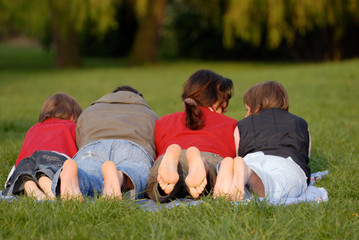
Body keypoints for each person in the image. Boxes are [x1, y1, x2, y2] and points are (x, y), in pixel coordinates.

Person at [53, 85, 159, 200]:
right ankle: (119, 177)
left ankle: (74, 174)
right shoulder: (150, 114)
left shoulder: (89, 111)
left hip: (92, 146)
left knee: (89, 173)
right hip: (132, 147)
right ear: (139, 98)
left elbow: (80, 139)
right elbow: (155, 143)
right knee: (136, 172)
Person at [146, 70, 237, 202]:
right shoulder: (231, 124)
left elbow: (158, 150)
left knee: (161, 187)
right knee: (211, 181)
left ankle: (172, 169)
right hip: (209, 156)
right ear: (216, 99)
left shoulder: (164, 121)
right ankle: (205, 168)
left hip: (169, 154)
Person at [213, 81, 311, 201]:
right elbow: (305, 157)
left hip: (252, 159)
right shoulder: (300, 123)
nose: (246, 115)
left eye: (247, 110)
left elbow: (240, 152)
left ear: (257, 107)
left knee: (248, 186)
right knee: (276, 188)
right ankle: (248, 174)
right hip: (287, 163)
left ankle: (234, 170)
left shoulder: (242, 125)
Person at [3, 93, 82, 200]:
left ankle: (29, 186)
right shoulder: (73, 127)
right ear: (73, 117)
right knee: (49, 172)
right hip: (54, 158)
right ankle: (48, 187)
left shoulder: (33, 128)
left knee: (25, 176)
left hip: (25, 162)